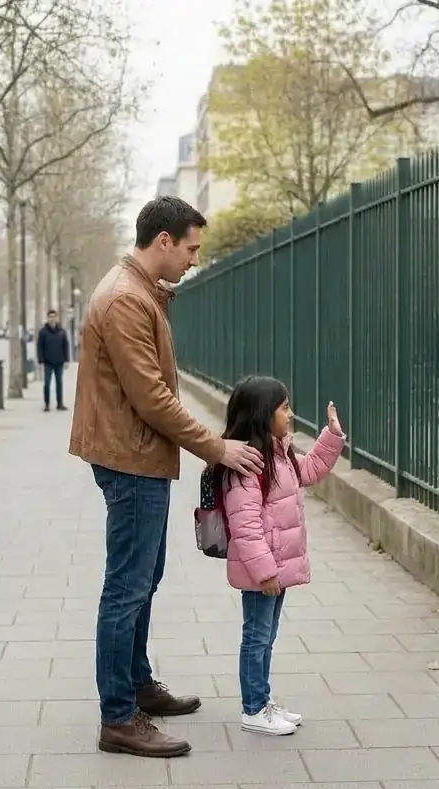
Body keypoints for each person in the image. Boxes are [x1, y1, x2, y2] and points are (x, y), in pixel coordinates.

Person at [69, 196, 264, 758]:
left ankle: (136, 686)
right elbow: (151, 397)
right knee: (127, 586)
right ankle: (118, 717)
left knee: (143, 577)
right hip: (130, 460)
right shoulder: (127, 300)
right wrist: (215, 447)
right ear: (163, 242)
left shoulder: (139, 292)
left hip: (137, 456)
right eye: (191, 248)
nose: (194, 260)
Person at [216, 377, 346, 736]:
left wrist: (331, 436)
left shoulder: (279, 453)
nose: (290, 414)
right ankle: (253, 709)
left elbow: (310, 470)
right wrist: (265, 572)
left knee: (266, 636)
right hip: (265, 570)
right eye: (284, 407)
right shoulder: (250, 465)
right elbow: (246, 528)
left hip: (275, 568)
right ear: (263, 414)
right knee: (256, 637)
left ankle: (262, 701)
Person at [36, 309, 70, 411]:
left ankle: (60, 403)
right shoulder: (43, 332)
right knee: (47, 384)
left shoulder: (62, 331)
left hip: (59, 361)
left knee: (59, 383)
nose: (52, 319)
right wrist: (41, 360)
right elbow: (40, 347)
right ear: (48, 318)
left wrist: (66, 360)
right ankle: (46, 404)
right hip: (47, 362)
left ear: (57, 318)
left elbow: (65, 346)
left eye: (54, 316)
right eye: (50, 317)